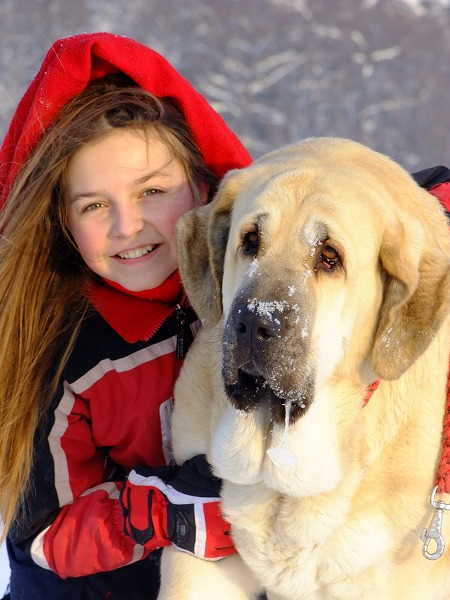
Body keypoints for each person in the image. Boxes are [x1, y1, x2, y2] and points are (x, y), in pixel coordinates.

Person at [0, 32, 252, 599]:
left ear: (200, 185)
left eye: (153, 190)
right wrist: (161, 514)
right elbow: (41, 533)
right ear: (62, 223)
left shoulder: (240, 295)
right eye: (94, 205)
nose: (128, 226)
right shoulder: (56, 351)